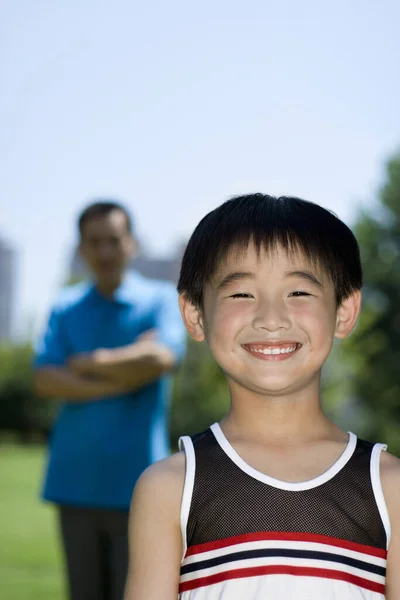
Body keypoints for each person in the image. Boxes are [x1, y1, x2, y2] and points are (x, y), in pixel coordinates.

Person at [125, 193, 400, 600]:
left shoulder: (389, 488)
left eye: (299, 293)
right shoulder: (169, 489)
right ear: (195, 314)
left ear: (344, 311)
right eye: (241, 294)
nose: (271, 318)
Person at [34, 200, 186, 600]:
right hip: (74, 482)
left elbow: (163, 356)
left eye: (113, 240)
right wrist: (125, 375)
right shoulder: (66, 306)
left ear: (132, 243)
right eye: (94, 241)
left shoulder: (160, 299)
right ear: (81, 248)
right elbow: (45, 379)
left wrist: (91, 362)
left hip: (140, 487)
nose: (104, 251)